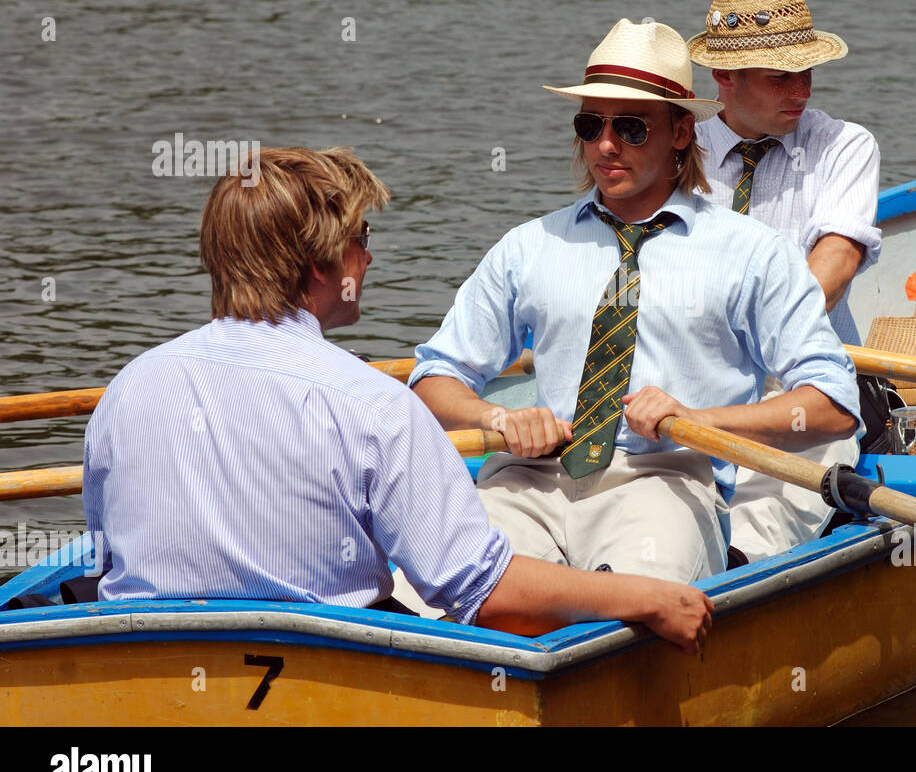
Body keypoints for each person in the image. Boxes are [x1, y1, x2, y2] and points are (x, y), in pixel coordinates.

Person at [81, 146, 712, 652]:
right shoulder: (372, 403)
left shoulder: (129, 389)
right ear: (323, 264)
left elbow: (112, 550)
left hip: (141, 657)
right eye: (360, 237)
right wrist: (644, 597)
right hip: (320, 665)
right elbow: (484, 592)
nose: (371, 256)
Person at [409, 19, 861, 584]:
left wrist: (694, 419)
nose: (605, 144)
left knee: (634, 599)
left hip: (666, 479)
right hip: (529, 478)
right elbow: (433, 376)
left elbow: (835, 405)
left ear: (680, 133)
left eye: (631, 128)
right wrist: (495, 415)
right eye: (589, 124)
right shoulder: (527, 246)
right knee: (429, 586)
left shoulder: (753, 253)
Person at [687, 0, 885, 563]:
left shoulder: (845, 145)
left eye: (807, 72)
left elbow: (835, 265)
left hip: (807, 383)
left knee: (768, 507)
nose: (799, 90)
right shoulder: (675, 152)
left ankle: (740, 566)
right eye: (780, 77)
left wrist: (736, 337)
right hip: (689, 380)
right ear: (724, 77)